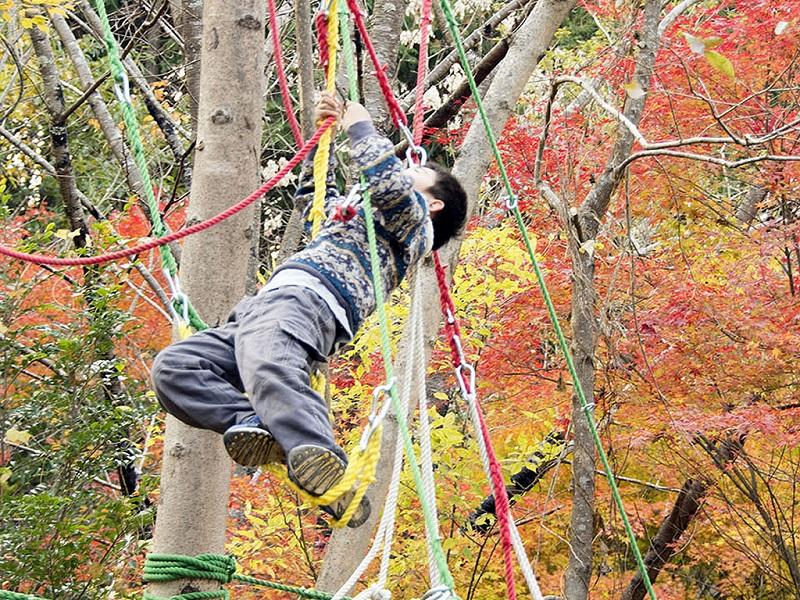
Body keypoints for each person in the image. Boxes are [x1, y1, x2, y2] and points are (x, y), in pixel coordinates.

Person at [151, 92, 468, 527]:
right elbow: (314, 199)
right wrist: (320, 142)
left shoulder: (413, 223)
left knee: (270, 364)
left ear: (433, 203)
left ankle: (323, 461)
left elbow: (388, 183)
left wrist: (358, 125)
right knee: (175, 367)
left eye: (415, 172)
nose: (402, 171)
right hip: (265, 309)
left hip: (310, 302)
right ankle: (258, 427)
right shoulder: (362, 217)